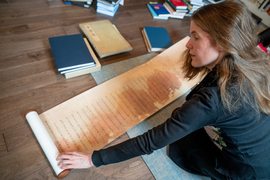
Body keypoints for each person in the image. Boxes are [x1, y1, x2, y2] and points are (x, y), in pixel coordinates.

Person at [56, 0, 270, 179]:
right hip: (262, 150)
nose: (188, 44)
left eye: (195, 37)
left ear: (223, 42)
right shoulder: (255, 61)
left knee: (182, 142)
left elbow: (151, 141)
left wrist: (92, 159)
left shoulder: (211, 102)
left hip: (246, 171)